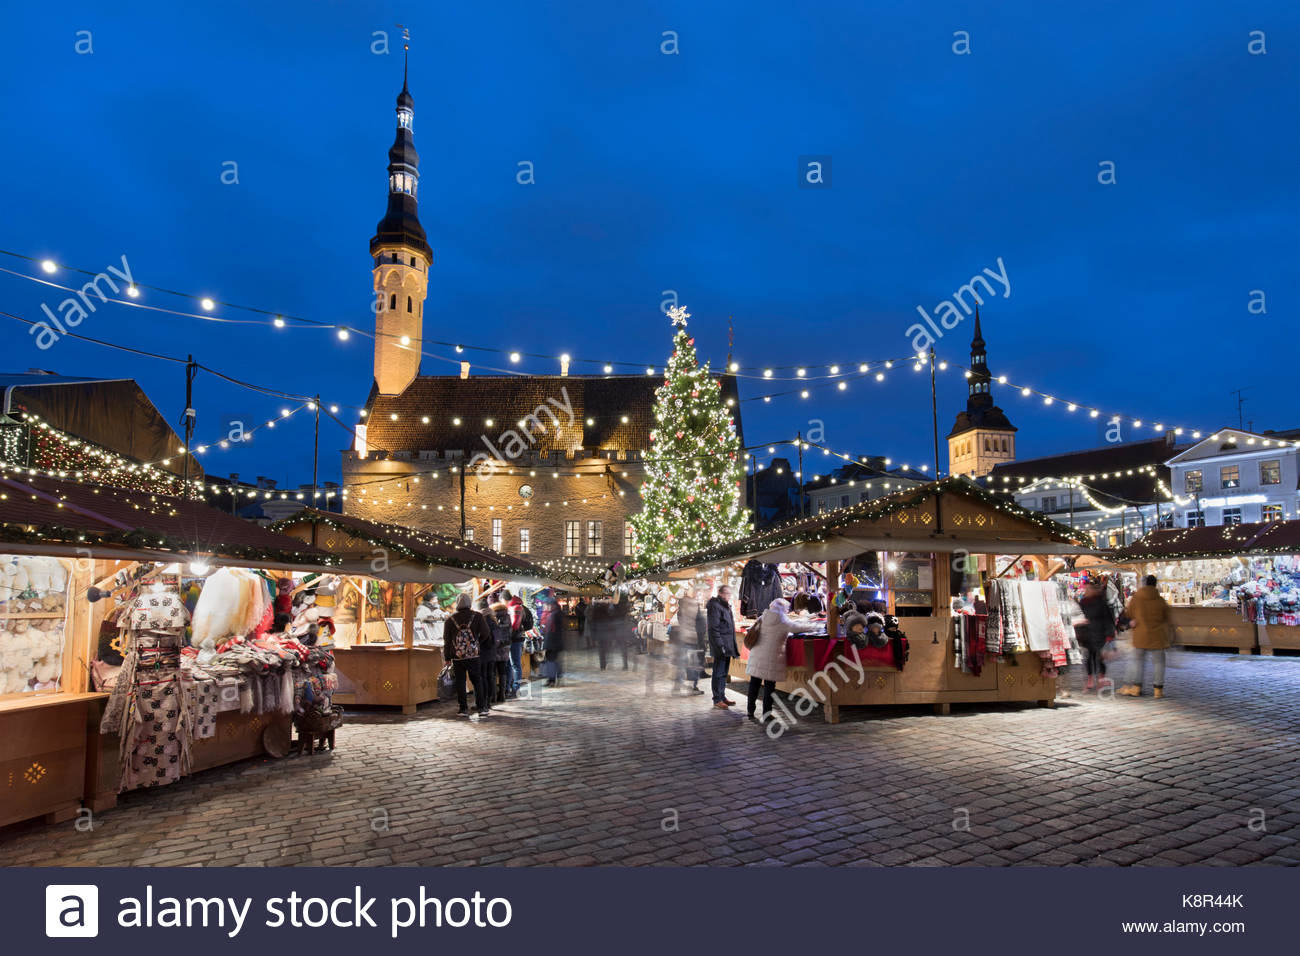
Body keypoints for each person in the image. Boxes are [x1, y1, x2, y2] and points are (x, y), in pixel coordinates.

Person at [745, 597, 819, 721]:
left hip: (757, 655)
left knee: (754, 684)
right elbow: (798, 628)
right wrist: (815, 626)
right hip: (772, 657)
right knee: (769, 687)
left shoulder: (762, 617)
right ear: (783, 609)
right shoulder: (782, 620)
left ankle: (750, 711)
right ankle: (766, 714)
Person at [1119, 574, 1172, 699]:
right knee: (1159, 662)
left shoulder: (1137, 598)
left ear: (1144, 583)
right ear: (1155, 584)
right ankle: (1158, 690)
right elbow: (1167, 617)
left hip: (1141, 635)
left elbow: (1129, 613)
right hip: (1158, 635)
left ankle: (1136, 688)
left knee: (1138, 661)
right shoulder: (1160, 600)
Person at [444, 593, 491, 717]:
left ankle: (463, 709)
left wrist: (447, 657)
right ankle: (481, 708)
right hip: (473, 655)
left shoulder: (450, 620)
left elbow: (447, 640)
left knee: (460, 682)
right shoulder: (478, 616)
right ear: (469, 603)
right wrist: (477, 643)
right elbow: (486, 633)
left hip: (457, 656)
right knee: (477, 680)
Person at [1076, 579, 1116, 691]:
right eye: (1085, 589)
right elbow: (1079, 616)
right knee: (1089, 658)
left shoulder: (1101, 602)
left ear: (1093, 590)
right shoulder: (1083, 602)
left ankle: (1101, 679)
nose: (1086, 591)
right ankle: (1090, 680)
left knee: (1100, 658)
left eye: (1088, 589)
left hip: (1099, 633)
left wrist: (1109, 634)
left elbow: (1108, 619)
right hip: (1087, 634)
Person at [706, 585, 738, 709]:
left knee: (724, 672)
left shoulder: (725, 605)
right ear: (720, 593)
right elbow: (714, 628)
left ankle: (722, 696)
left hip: (727, 644)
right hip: (721, 645)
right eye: (727, 594)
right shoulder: (715, 606)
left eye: (730, 594)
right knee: (718, 672)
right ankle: (717, 699)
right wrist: (720, 645)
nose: (729, 596)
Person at [671, 590, 705, 695]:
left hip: (682, 638)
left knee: (681, 664)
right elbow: (701, 624)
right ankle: (692, 688)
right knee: (692, 664)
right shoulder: (694, 606)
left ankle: (677, 687)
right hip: (691, 639)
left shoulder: (681, 610)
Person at [487, 598, 514, 703]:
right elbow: (511, 631)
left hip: (494, 647)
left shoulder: (492, 617)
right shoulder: (508, 617)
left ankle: (493, 695)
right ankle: (502, 694)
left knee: (493, 671)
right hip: (505, 647)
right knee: (503, 670)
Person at [541, 589, 565, 686]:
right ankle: (554, 678)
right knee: (554, 660)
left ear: (551, 605)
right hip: (556, 642)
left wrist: (546, 644)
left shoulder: (553, 615)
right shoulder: (557, 614)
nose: (545, 607)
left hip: (552, 643)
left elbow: (550, 632)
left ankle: (552, 680)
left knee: (551, 661)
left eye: (546, 605)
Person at [505, 590, 527, 693]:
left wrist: (508, 635)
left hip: (515, 640)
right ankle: (510, 687)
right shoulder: (516, 606)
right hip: (516, 639)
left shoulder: (516, 608)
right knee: (511, 664)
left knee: (515, 665)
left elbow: (515, 625)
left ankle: (515, 688)